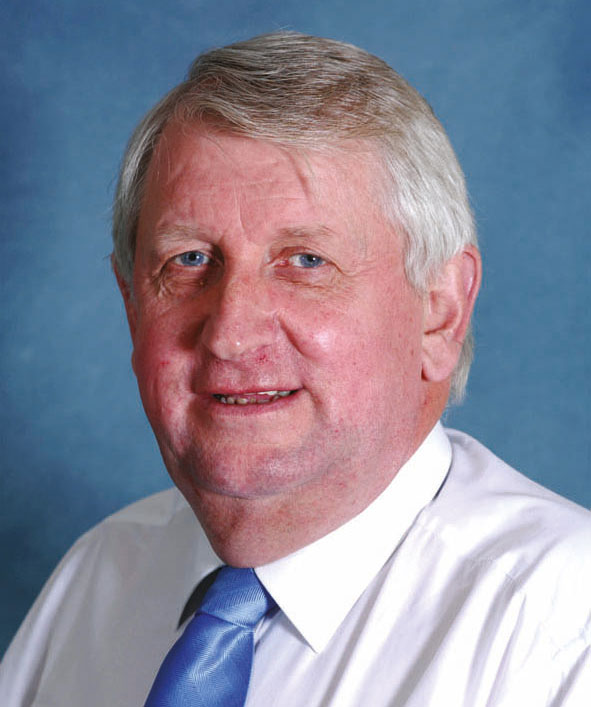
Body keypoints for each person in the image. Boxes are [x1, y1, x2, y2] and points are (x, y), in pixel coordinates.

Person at [1, 32, 589, 706]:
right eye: (188, 260)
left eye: (306, 260)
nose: (230, 331)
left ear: (439, 311)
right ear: (131, 305)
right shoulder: (98, 579)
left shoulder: (563, 630)